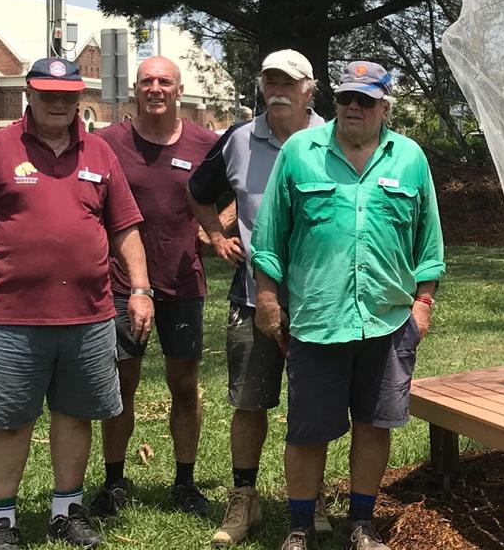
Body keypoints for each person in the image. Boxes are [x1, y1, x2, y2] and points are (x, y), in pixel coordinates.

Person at [251, 61, 444, 550]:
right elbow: (270, 237)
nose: (353, 107)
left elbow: (430, 244)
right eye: (345, 99)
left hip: (388, 319)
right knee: (307, 430)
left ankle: (361, 522)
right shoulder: (300, 153)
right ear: (333, 103)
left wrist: (422, 304)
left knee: (375, 424)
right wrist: (268, 297)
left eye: (364, 99)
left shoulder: (410, 158)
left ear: (385, 106)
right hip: (318, 320)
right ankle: (299, 526)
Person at [0, 58, 151, 550]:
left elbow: (124, 227)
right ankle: (1, 521)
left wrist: (139, 289)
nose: (58, 101)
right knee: (11, 421)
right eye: (48, 92)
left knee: (74, 416)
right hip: (11, 318)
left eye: (68, 93)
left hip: (89, 317)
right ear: (29, 93)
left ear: (79, 96)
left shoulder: (99, 153)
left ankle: (65, 511)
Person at [185, 49, 327, 546]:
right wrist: (216, 235)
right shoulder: (239, 140)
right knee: (249, 402)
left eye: (288, 81)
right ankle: (245, 499)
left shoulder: (335, 140)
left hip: (320, 301)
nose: (277, 89)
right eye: (270, 80)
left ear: (310, 89)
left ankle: (315, 497)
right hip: (251, 297)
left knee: (314, 402)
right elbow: (198, 190)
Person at [88, 56, 219, 518]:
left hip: (183, 281)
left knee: (184, 385)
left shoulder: (208, 143)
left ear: (180, 89)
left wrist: (216, 228)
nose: (155, 88)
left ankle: (185, 482)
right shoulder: (106, 143)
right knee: (121, 383)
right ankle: (114, 480)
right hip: (121, 284)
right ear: (135, 90)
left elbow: (243, 191)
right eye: (147, 81)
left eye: (165, 81)